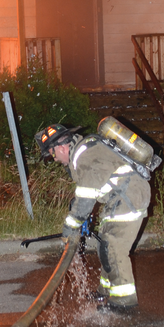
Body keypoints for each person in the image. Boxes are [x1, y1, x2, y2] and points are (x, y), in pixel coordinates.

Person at [35, 123, 151, 310]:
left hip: (129, 196)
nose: (55, 160)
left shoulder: (84, 157)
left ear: (62, 148)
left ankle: (124, 301)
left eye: (53, 154)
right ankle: (105, 291)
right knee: (105, 245)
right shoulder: (86, 149)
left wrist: (71, 225)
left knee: (114, 247)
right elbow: (91, 187)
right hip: (121, 197)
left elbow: (86, 198)